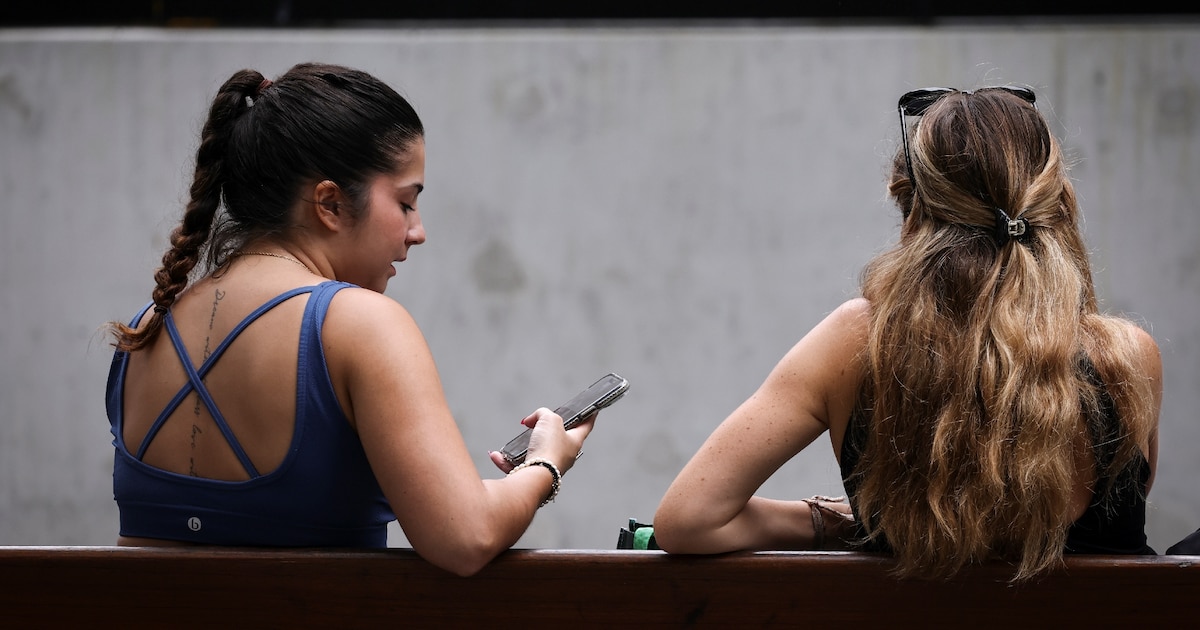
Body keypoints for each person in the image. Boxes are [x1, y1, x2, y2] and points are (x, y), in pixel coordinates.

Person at [653, 85, 1162, 581]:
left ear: (912, 213)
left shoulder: (856, 342)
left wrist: (827, 524)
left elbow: (689, 520)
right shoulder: (1128, 358)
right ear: (1056, 205)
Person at [105, 62, 593, 577]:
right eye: (406, 203)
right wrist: (547, 463)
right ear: (331, 203)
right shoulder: (359, 325)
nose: (418, 231)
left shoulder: (146, 329)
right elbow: (465, 536)